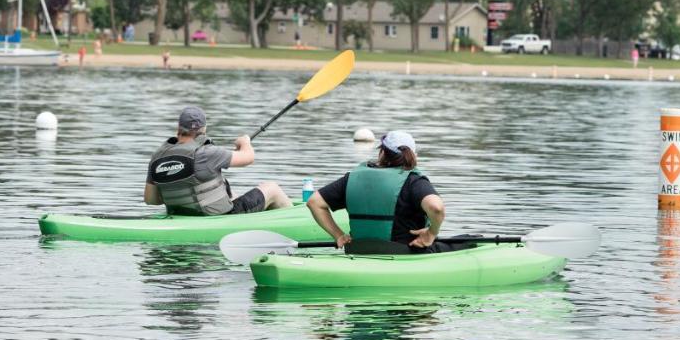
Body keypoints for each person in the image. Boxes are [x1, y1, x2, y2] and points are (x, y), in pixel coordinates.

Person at [306, 131, 459, 253]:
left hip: (359, 251)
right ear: (413, 156)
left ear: (382, 154)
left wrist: (338, 235)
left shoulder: (353, 178)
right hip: (405, 254)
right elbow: (436, 208)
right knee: (469, 241)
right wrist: (432, 233)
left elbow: (314, 202)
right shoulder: (414, 181)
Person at [144, 106, 291, 216]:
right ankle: (295, 221)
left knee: (232, 193)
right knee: (272, 188)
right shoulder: (208, 153)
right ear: (204, 129)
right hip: (219, 217)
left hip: (180, 215)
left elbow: (151, 200)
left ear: (178, 128)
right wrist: (245, 142)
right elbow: (248, 158)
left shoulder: (157, 156)